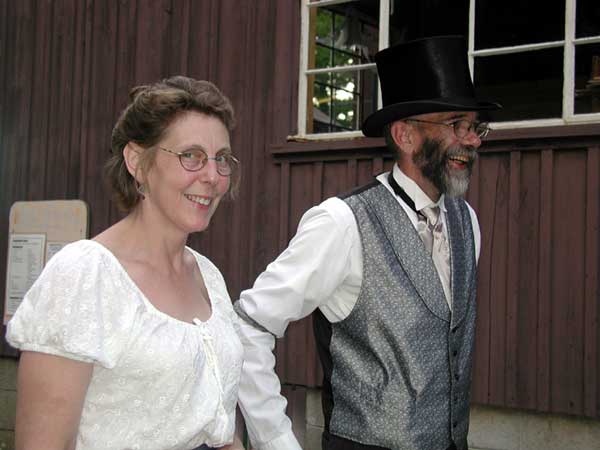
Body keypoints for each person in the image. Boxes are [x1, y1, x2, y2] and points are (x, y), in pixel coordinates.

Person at [233, 36, 501, 450]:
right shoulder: (341, 224)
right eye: (456, 125)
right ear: (405, 135)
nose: (473, 140)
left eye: (475, 127)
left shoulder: (468, 222)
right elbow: (249, 326)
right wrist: (275, 441)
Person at [7, 76, 245, 450]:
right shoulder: (85, 275)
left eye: (222, 159)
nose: (213, 177)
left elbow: (217, 420)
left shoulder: (207, 275)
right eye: (191, 156)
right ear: (137, 161)